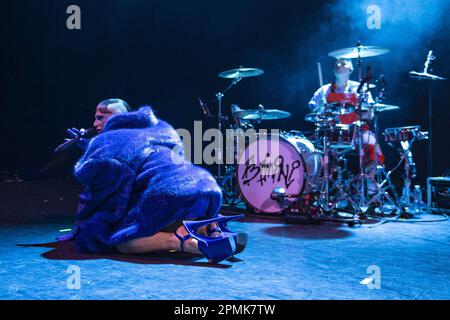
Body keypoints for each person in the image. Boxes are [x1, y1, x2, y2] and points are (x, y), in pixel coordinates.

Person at [63, 105, 247, 264]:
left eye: (101, 117)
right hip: (206, 186)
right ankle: (212, 229)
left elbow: (103, 193)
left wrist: (87, 227)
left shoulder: (107, 141)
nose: (95, 123)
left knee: (122, 241)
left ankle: (184, 242)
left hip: (167, 194)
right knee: (173, 213)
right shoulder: (162, 128)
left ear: (118, 117)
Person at [308, 58, 384, 192]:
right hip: (331, 132)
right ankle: (318, 187)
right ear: (333, 70)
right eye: (337, 63)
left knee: (372, 144)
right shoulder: (324, 90)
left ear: (350, 69)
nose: (338, 65)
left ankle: (370, 185)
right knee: (316, 150)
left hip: (357, 131)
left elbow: (371, 113)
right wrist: (318, 109)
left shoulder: (360, 89)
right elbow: (312, 110)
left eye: (342, 63)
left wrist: (364, 113)